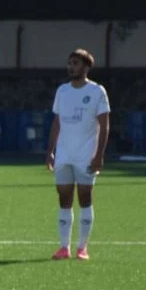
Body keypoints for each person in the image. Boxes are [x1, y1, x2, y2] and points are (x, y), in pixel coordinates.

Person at [47, 48, 109, 260]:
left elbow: (104, 125)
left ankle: (82, 247)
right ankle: (64, 247)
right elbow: (57, 122)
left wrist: (99, 155)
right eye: (70, 63)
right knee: (63, 197)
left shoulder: (97, 92)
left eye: (75, 63)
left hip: (86, 156)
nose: (71, 67)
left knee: (84, 198)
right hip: (64, 155)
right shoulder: (62, 91)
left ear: (86, 67)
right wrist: (51, 151)